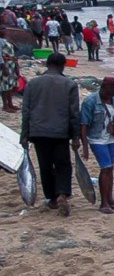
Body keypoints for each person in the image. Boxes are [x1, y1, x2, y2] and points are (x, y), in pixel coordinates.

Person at [20, 53, 81, 217]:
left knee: (45, 165)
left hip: (38, 131)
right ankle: (62, 193)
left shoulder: (33, 83)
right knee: (63, 165)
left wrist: (24, 135)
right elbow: (74, 113)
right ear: (63, 66)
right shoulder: (69, 84)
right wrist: (76, 137)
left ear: (47, 64)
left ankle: (52, 199)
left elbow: (26, 111)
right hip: (60, 132)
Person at [80, 76, 114, 214]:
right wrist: (85, 146)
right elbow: (83, 125)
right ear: (103, 87)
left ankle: (110, 198)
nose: (111, 94)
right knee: (105, 168)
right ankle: (104, 203)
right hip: (96, 138)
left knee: (110, 168)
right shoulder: (90, 101)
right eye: (109, 91)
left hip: (112, 138)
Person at [0, 40, 20, 112]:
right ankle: (5, 106)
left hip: (11, 65)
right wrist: (4, 67)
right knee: (4, 86)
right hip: (5, 66)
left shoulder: (5, 40)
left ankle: (10, 104)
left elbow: (16, 49)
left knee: (10, 85)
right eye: (2, 28)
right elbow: (1, 56)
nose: (4, 30)